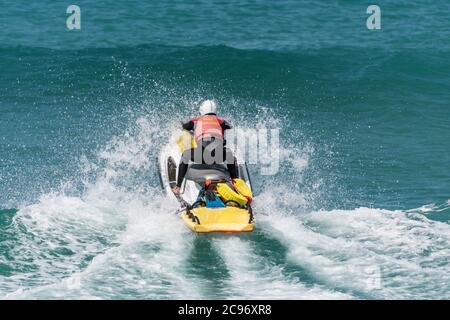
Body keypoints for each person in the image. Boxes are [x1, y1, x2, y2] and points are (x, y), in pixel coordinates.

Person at [171, 100, 238, 195]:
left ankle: (178, 187)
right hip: (218, 157)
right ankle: (236, 184)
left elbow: (184, 126)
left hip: (203, 157)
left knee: (185, 155)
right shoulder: (221, 121)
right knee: (230, 155)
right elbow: (230, 127)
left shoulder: (196, 121)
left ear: (201, 111)